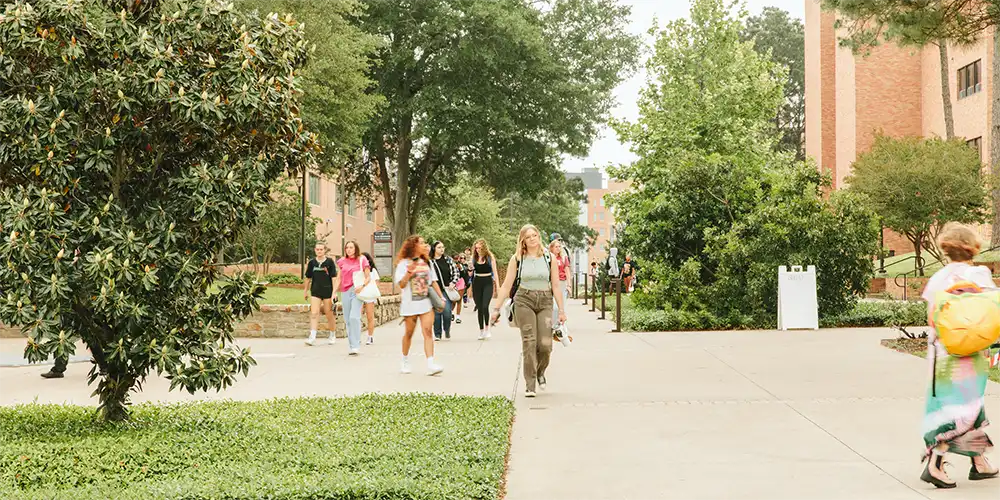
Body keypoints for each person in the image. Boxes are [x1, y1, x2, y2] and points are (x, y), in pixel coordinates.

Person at [919, 223, 999, 488]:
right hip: (970, 353)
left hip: (942, 353)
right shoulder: (979, 274)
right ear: (972, 248)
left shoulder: (938, 279)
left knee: (962, 406)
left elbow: (931, 315)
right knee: (960, 410)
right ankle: (935, 463)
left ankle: (979, 463)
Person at [490, 224, 567, 398]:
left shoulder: (549, 258)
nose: (532, 239)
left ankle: (540, 372)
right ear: (523, 240)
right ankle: (530, 384)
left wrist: (561, 310)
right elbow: (507, 285)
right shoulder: (517, 258)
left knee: (546, 344)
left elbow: (555, 285)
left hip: (545, 301)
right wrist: (496, 308)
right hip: (524, 300)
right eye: (528, 236)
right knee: (529, 342)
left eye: (535, 235)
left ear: (539, 237)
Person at [394, 235, 445, 375]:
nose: (424, 245)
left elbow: (433, 281)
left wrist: (441, 298)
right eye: (421, 243)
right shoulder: (403, 264)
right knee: (409, 333)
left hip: (425, 302)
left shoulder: (426, 262)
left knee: (428, 331)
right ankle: (404, 360)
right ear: (413, 246)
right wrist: (409, 273)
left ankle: (431, 363)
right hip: (410, 303)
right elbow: (402, 285)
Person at [337, 241, 371, 355]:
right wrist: (333, 293)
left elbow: (368, 277)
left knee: (354, 317)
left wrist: (362, 286)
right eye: (347, 247)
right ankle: (352, 344)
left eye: (351, 247)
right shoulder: (342, 261)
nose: (349, 249)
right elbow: (338, 278)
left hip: (357, 291)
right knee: (347, 319)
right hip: (345, 291)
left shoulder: (362, 260)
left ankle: (355, 345)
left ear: (356, 248)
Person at [304, 242, 338, 346]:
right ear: (315, 250)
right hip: (315, 291)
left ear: (324, 250)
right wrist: (305, 290)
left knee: (329, 313)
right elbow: (308, 278)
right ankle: (312, 336)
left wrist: (334, 293)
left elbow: (334, 278)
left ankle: (332, 334)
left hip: (327, 291)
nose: (319, 251)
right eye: (317, 249)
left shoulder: (330, 262)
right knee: (314, 313)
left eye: (321, 249)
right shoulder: (312, 263)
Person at [430, 241, 459, 340]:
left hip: (446, 289)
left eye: (443, 247)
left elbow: (456, 272)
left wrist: (453, 282)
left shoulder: (448, 260)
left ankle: (447, 329)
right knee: (437, 313)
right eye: (439, 247)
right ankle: (437, 334)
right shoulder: (430, 261)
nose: (442, 249)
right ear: (434, 249)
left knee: (447, 311)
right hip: (434, 290)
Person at [472, 239, 500, 340]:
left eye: (480, 248)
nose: (478, 250)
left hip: (487, 282)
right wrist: (470, 269)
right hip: (477, 282)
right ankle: (481, 330)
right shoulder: (474, 258)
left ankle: (487, 329)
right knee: (479, 307)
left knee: (485, 306)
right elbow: (471, 273)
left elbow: (495, 272)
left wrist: (498, 286)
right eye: (476, 248)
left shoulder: (489, 257)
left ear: (484, 248)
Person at [549, 234, 571, 331]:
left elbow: (567, 270)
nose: (559, 248)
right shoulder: (548, 257)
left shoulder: (564, 256)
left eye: (559, 246)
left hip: (562, 282)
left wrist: (569, 285)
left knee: (562, 305)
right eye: (556, 246)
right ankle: (554, 324)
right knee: (554, 306)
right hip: (553, 283)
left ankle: (560, 325)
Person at [360, 252, 379, 345]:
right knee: (357, 316)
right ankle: (357, 336)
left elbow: (376, 283)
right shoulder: (358, 270)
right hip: (359, 294)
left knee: (369, 316)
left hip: (369, 295)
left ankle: (370, 336)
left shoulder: (373, 271)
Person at [453, 253, 470, 323]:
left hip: (461, 282)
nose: (459, 260)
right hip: (453, 282)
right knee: (453, 300)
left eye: (463, 258)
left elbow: (465, 275)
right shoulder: (451, 265)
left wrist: (461, 268)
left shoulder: (463, 266)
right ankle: (450, 313)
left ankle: (458, 317)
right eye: (457, 258)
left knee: (459, 300)